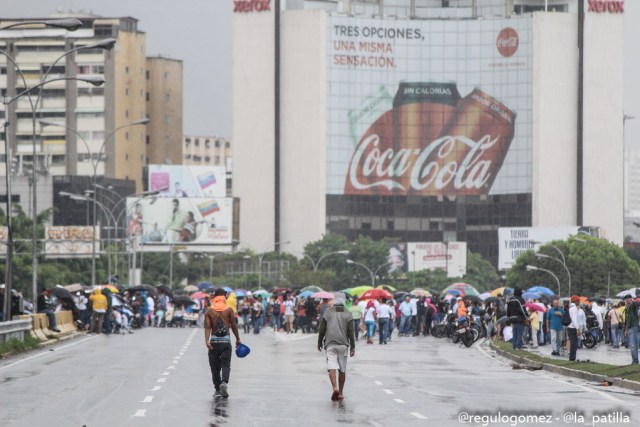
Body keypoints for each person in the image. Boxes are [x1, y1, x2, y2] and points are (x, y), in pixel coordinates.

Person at [317, 292, 355, 401]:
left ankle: (335, 388)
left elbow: (322, 329)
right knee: (342, 370)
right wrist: (353, 347)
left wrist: (319, 342)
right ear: (344, 300)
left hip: (330, 344)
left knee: (331, 367)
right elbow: (351, 332)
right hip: (343, 345)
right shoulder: (348, 313)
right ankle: (341, 393)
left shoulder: (328, 312)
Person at [205, 288, 241, 398]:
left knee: (215, 367)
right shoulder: (229, 310)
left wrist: (207, 341)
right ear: (223, 297)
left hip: (214, 342)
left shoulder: (209, 311)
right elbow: (234, 326)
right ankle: (224, 383)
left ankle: (217, 389)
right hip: (226, 341)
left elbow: (207, 327)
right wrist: (238, 339)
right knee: (226, 364)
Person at [623, 294, 639, 365]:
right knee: (632, 345)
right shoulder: (627, 308)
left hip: (634, 326)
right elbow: (627, 320)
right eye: (626, 298)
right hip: (629, 328)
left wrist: (634, 301)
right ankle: (634, 360)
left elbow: (637, 304)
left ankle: (635, 361)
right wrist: (626, 330)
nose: (627, 299)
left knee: (633, 345)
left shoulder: (633, 306)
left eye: (629, 298)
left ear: (631, 299)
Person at [567, 295, 581, 361]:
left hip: (569, 327)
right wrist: (577, 328)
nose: (579, 302)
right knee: (574, 344)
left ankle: (572, 357)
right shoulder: (574, 308)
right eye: (578, 300)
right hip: (573, 328)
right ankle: (572, 358)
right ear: (575, 301)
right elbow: (574, 319)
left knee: (573, 343)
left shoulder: (570, 307)